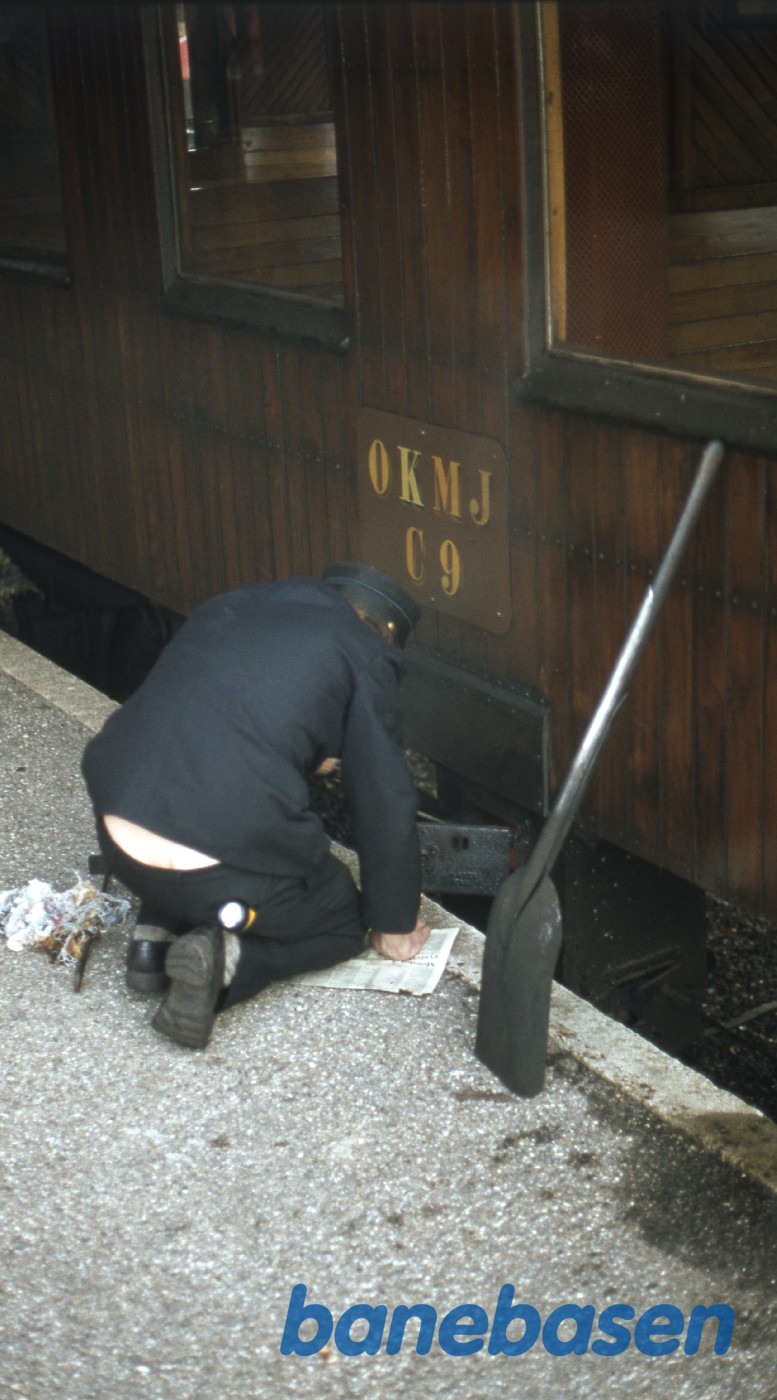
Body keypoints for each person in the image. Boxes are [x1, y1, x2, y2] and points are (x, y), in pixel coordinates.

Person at [81, 563, 430, 1049]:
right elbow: (383, 799)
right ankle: (226, 961)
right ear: (386, 632)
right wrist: (391, 923)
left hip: (119, 836)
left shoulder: (233, 604)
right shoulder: (367, 651)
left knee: (190, 807)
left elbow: (216, 722)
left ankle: (151, 939)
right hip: (217, 875)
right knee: (343, 917)